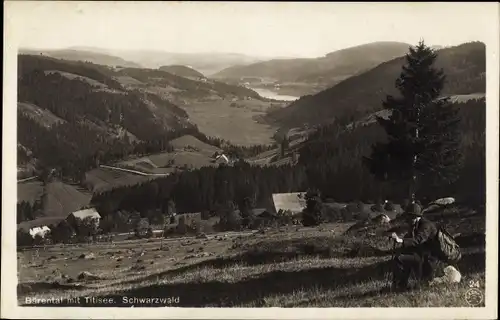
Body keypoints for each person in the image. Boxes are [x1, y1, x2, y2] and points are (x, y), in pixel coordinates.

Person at [390, 202, 440, 291]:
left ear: (417, 217)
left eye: (410, 217)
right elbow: (410, 239)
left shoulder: (426, 225)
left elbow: (418, 239)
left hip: (429, 258)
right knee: (402, 256)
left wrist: (401, 241)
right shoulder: (415, 225)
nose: (408, 220)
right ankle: (401, 285)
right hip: (421, 255)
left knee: (400, 259)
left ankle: (400, 286)